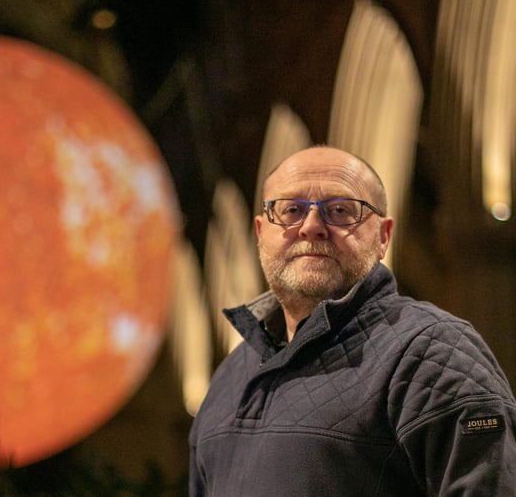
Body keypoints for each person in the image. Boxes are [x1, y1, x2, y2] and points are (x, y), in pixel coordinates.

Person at [188, 146, 516, 495]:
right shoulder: (228, 376)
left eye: (341, 210)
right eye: (290, 210)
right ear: (260, 233)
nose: (312, 227)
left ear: (383, 237)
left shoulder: (433, 352)